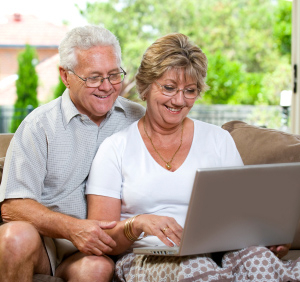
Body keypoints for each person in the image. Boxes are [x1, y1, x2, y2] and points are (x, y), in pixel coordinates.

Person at [86, 33, 299, 282]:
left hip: (219, 252)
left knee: (259, 261)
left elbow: (242, 217)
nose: (179, 100)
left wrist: (268, 239)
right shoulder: (115, 148)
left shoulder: (218, 140)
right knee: (194, 268)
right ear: (144, 87)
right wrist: (137, 224)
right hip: (148, 257)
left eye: (190, 91)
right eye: (168, 88)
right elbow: (102, 240)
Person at [0, 25, 145, 282]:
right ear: (66, 76)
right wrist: (72, 228)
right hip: (48, 246)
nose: (107, 86)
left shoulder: (138, 119)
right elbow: (13, 206)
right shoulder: (39, 126)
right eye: (93, 77)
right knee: (15, 238)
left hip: (106, 247)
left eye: (114, 75)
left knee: (97, 269)